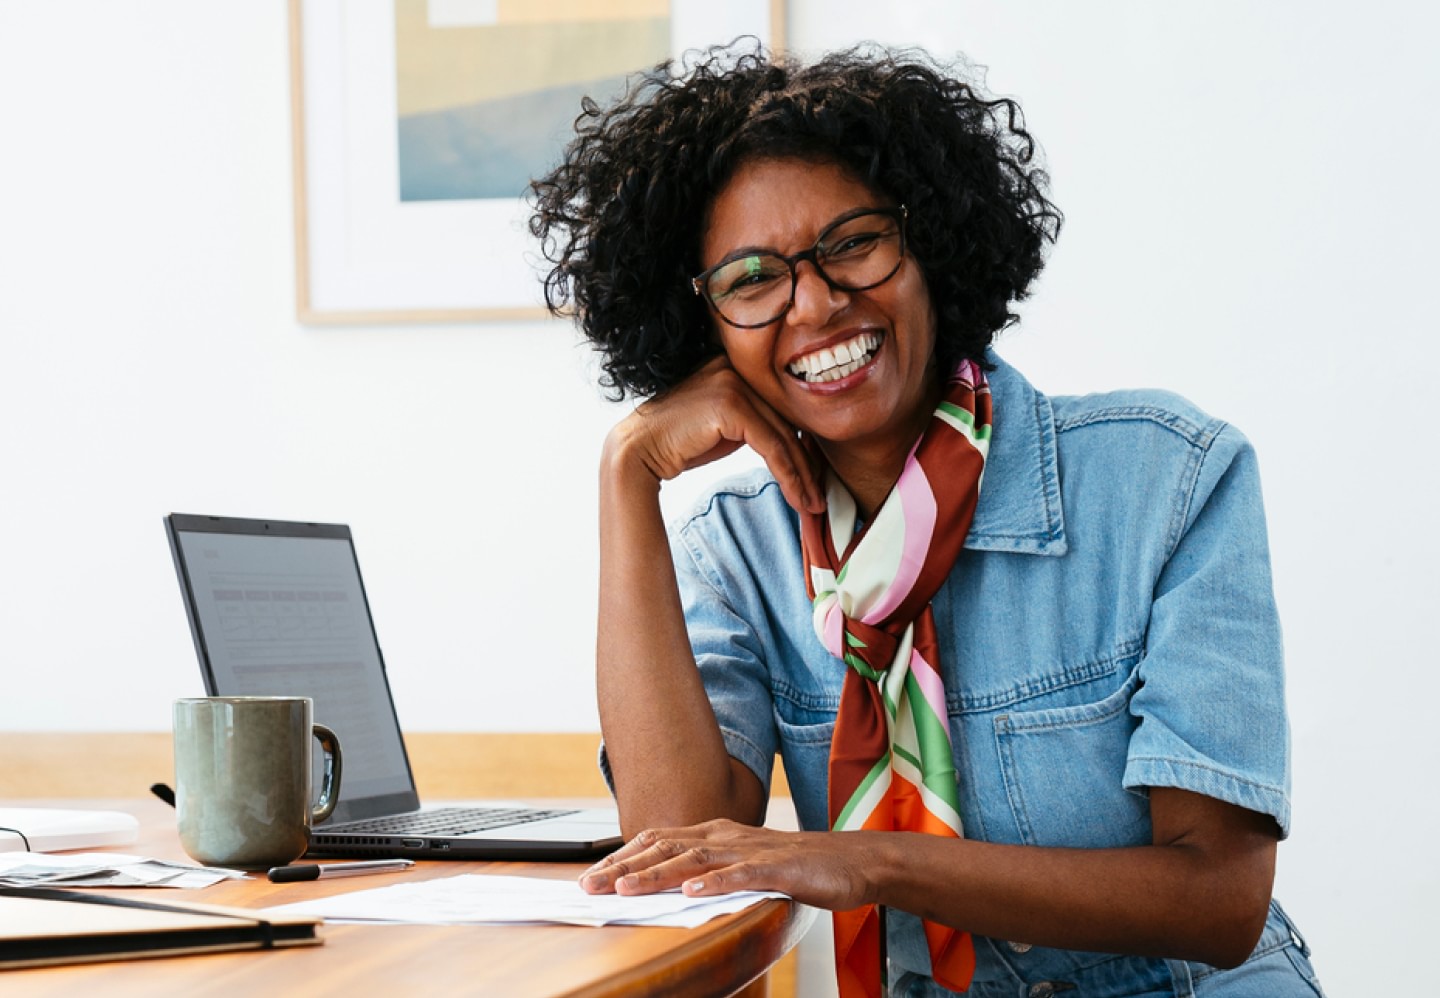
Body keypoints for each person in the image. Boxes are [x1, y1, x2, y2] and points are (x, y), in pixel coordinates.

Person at [530, 42, 1325, 998]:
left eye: (855, 242)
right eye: (752, 281)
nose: (816, 304)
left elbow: (1218, 902)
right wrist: (629, 476)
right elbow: (678, 852)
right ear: (702, 329)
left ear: (932, 246)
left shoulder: (1169, 476)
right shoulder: (734, 549)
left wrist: (869, 863)